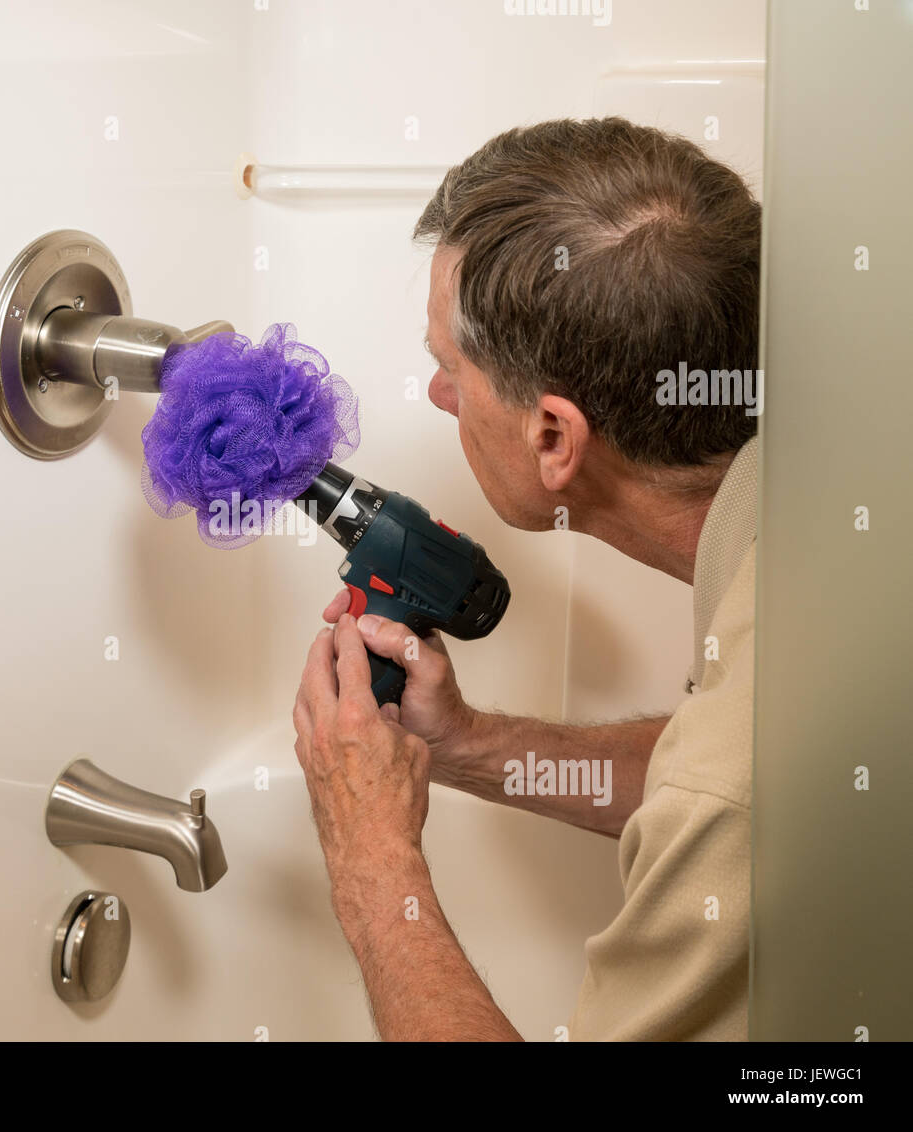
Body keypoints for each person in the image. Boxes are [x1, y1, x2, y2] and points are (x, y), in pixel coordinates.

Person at [292, 117, 760, 1041]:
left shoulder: (734, 780)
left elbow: (724, 792)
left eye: (450, 368)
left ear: (553, 437)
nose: (438, 395)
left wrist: (370, 852)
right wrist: (465, 742)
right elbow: (715, 776)